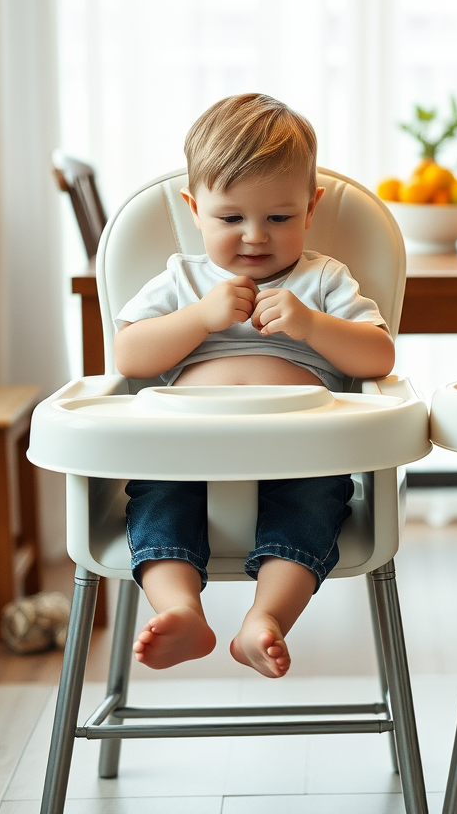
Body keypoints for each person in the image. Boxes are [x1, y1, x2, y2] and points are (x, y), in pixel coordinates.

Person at [114, 93, 395, 676]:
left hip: (300, 453)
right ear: (195, 209)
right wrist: (199, 318)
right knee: (159, 503)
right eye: (230, 218)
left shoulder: (323, 279)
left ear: (311, 208)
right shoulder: (183, 279)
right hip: (185, 453)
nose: (254, 236)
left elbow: (378, 356)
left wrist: (312, 324)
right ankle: (180, 609)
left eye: (278, 218)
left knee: (311, 507)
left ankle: (266, 618)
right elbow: (129, 356)